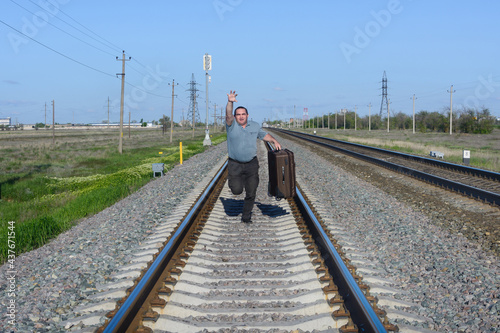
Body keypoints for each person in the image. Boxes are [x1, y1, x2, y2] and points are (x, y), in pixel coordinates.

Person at [225, 90, 281, 223]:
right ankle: (234, 183)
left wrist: (274, 140)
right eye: (238, 115)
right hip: (235, 164)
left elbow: (263, 135)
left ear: (247, 115)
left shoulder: (254, 126)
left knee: (251, 191)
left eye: (243, 114)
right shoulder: (231, 126)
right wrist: (230, 102)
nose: (241, 116)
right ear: (235, 116)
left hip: (251, 164)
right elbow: (228, 115)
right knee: (237, 190)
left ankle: (246, 216)